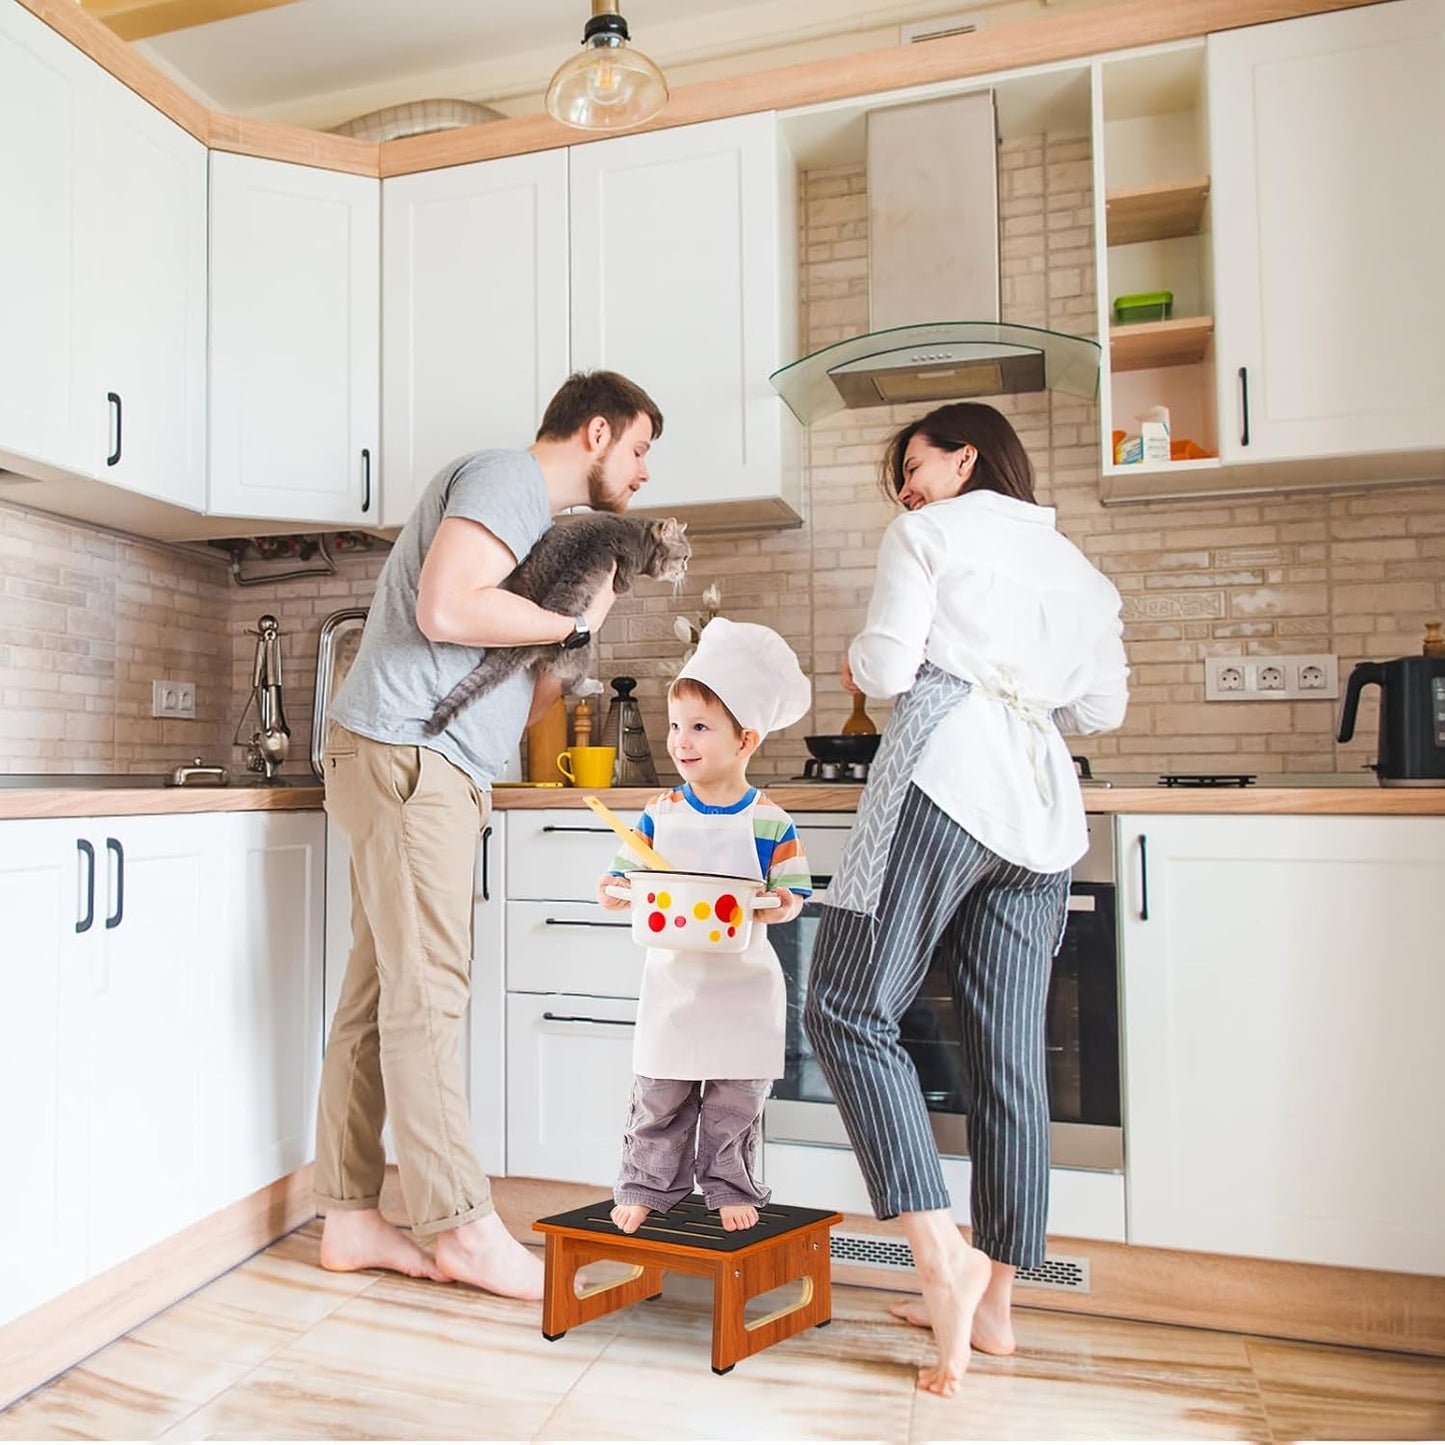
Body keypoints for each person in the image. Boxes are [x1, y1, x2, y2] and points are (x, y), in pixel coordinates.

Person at [802, 401, 1128, 1396]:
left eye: (915, 461)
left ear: (967, 454)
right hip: (1040, 809)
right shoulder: (1080, 571)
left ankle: (936, 1252)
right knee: (1008, 1058)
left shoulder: (928, 533)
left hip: (946, 778)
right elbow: (1101, 709)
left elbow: (888, 668)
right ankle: (994, 1306)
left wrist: (871, 659)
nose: (905, 484)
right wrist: (1018, 679)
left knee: (845, 1007)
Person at [316, 369, 664, 1298]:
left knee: (380, 994)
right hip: (410, 760)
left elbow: (521, 686)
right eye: (637, 451)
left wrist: (581, 627)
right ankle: (461, 1231)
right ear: (595, 432)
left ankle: (349, 1214)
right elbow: (443, 606)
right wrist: (562, 620)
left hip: (412, 761)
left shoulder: (541, 534)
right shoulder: (508, 477)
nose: (639, 475)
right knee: (426, 996)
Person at [596, 619, 812, 1234]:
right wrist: (614, 891)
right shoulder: (658, 813)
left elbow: (795, 892)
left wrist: (781, 904)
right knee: (660, 1092)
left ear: (745, 740)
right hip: (674, 980)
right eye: (675, 726)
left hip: (742, 984)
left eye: (699, 727)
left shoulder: (771, 820)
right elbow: (625, 872)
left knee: (733, 1100)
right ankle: (644, 1184)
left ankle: (727, 1185)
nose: (680, 741)